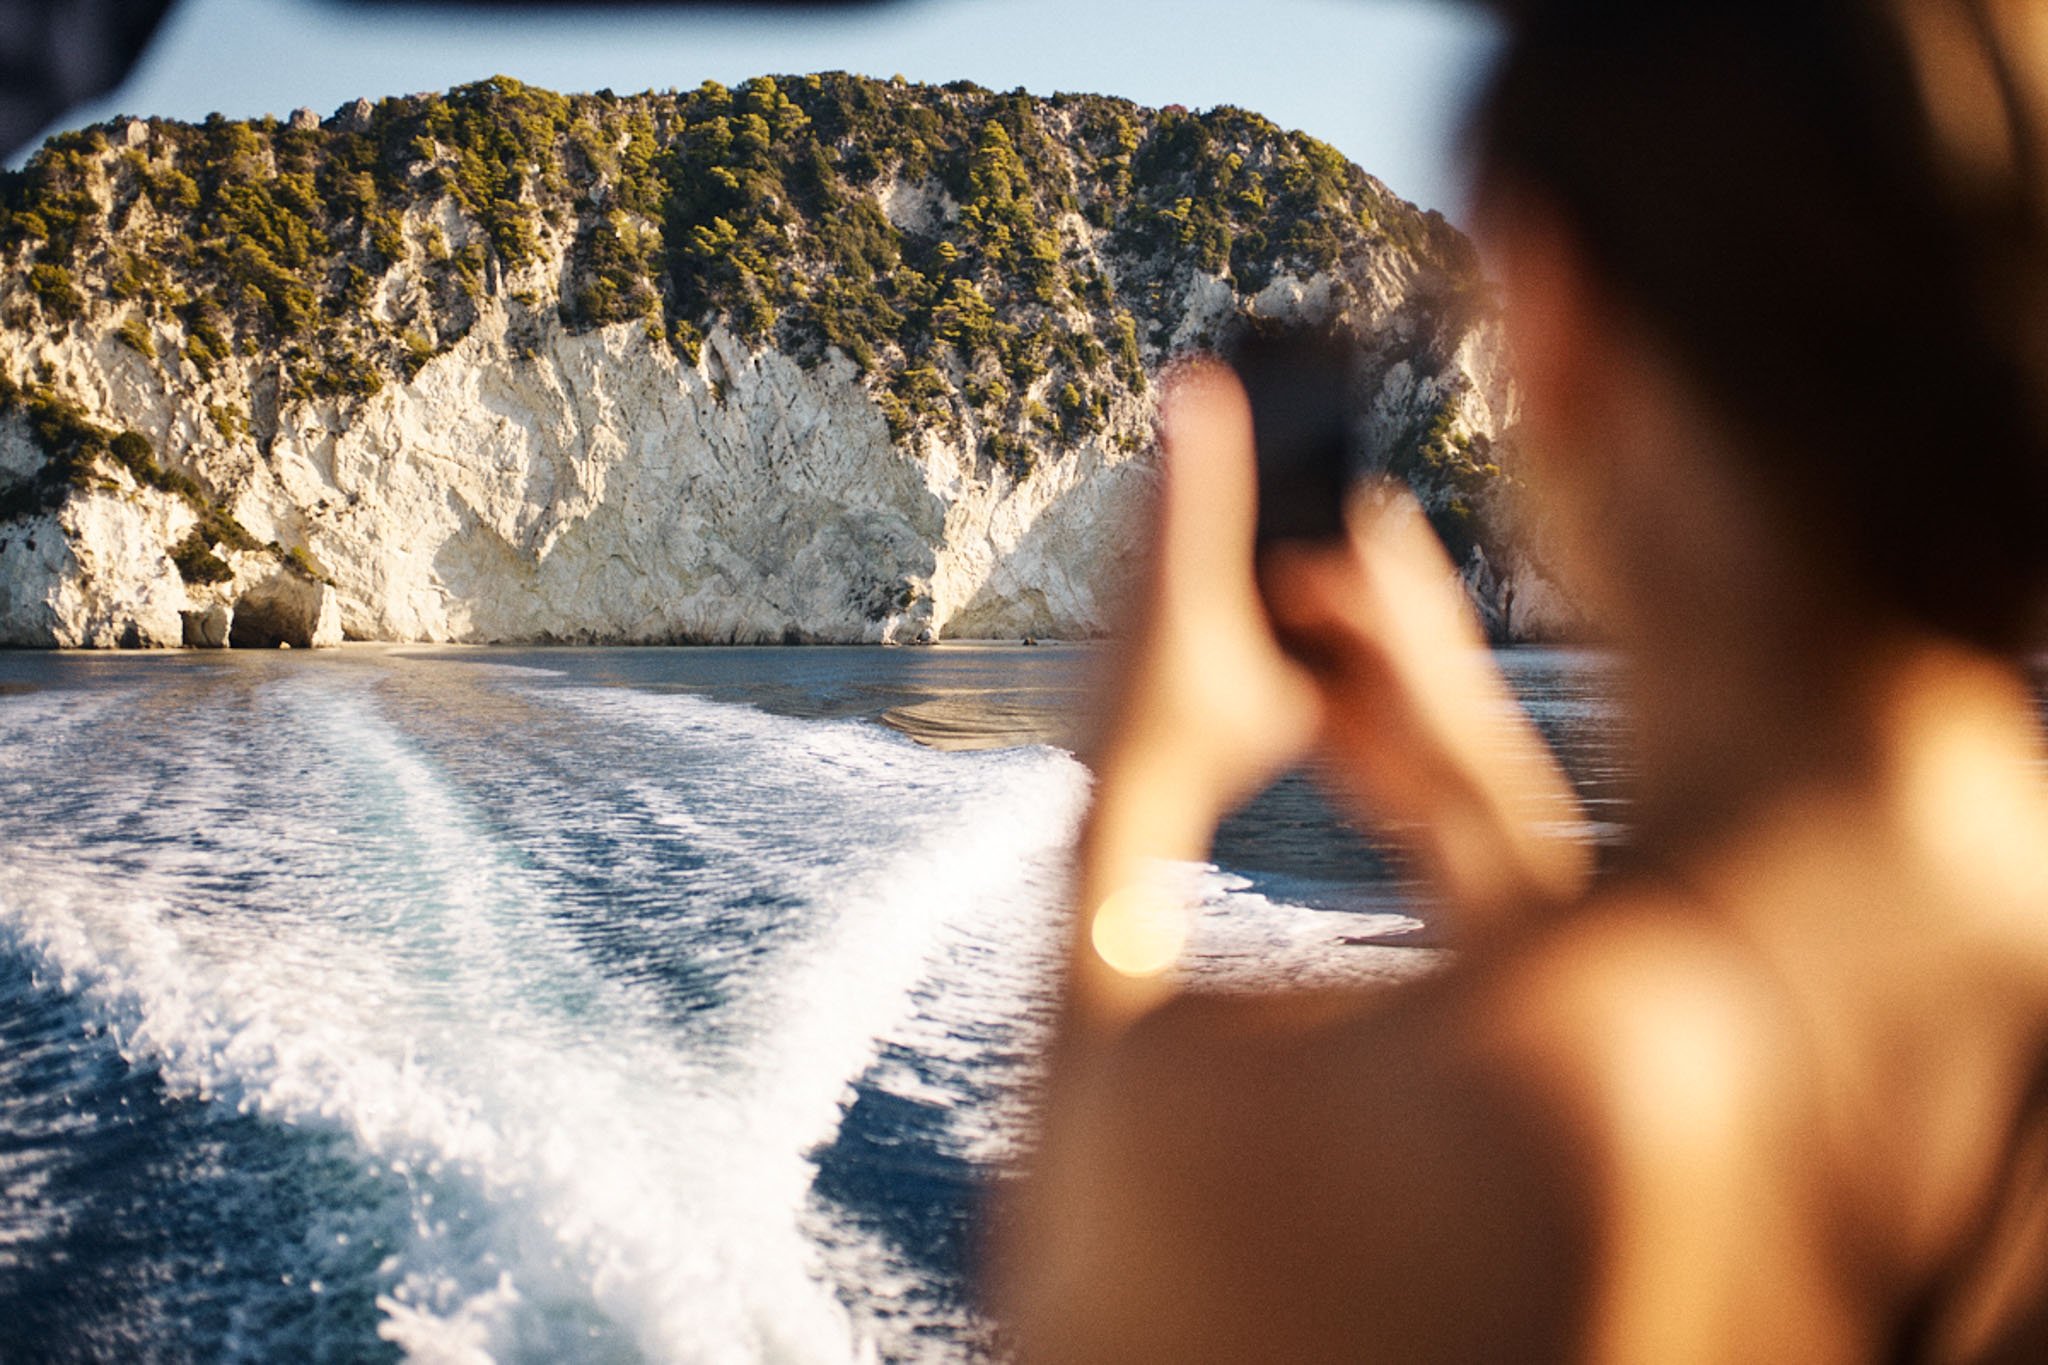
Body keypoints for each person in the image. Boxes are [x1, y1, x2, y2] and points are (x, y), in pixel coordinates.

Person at [996, 0, 2048, 1359]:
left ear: (1555, 325)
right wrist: (1472, 799)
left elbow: (1076, 1269)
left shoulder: (1497, 1144)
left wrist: (1140, 788)